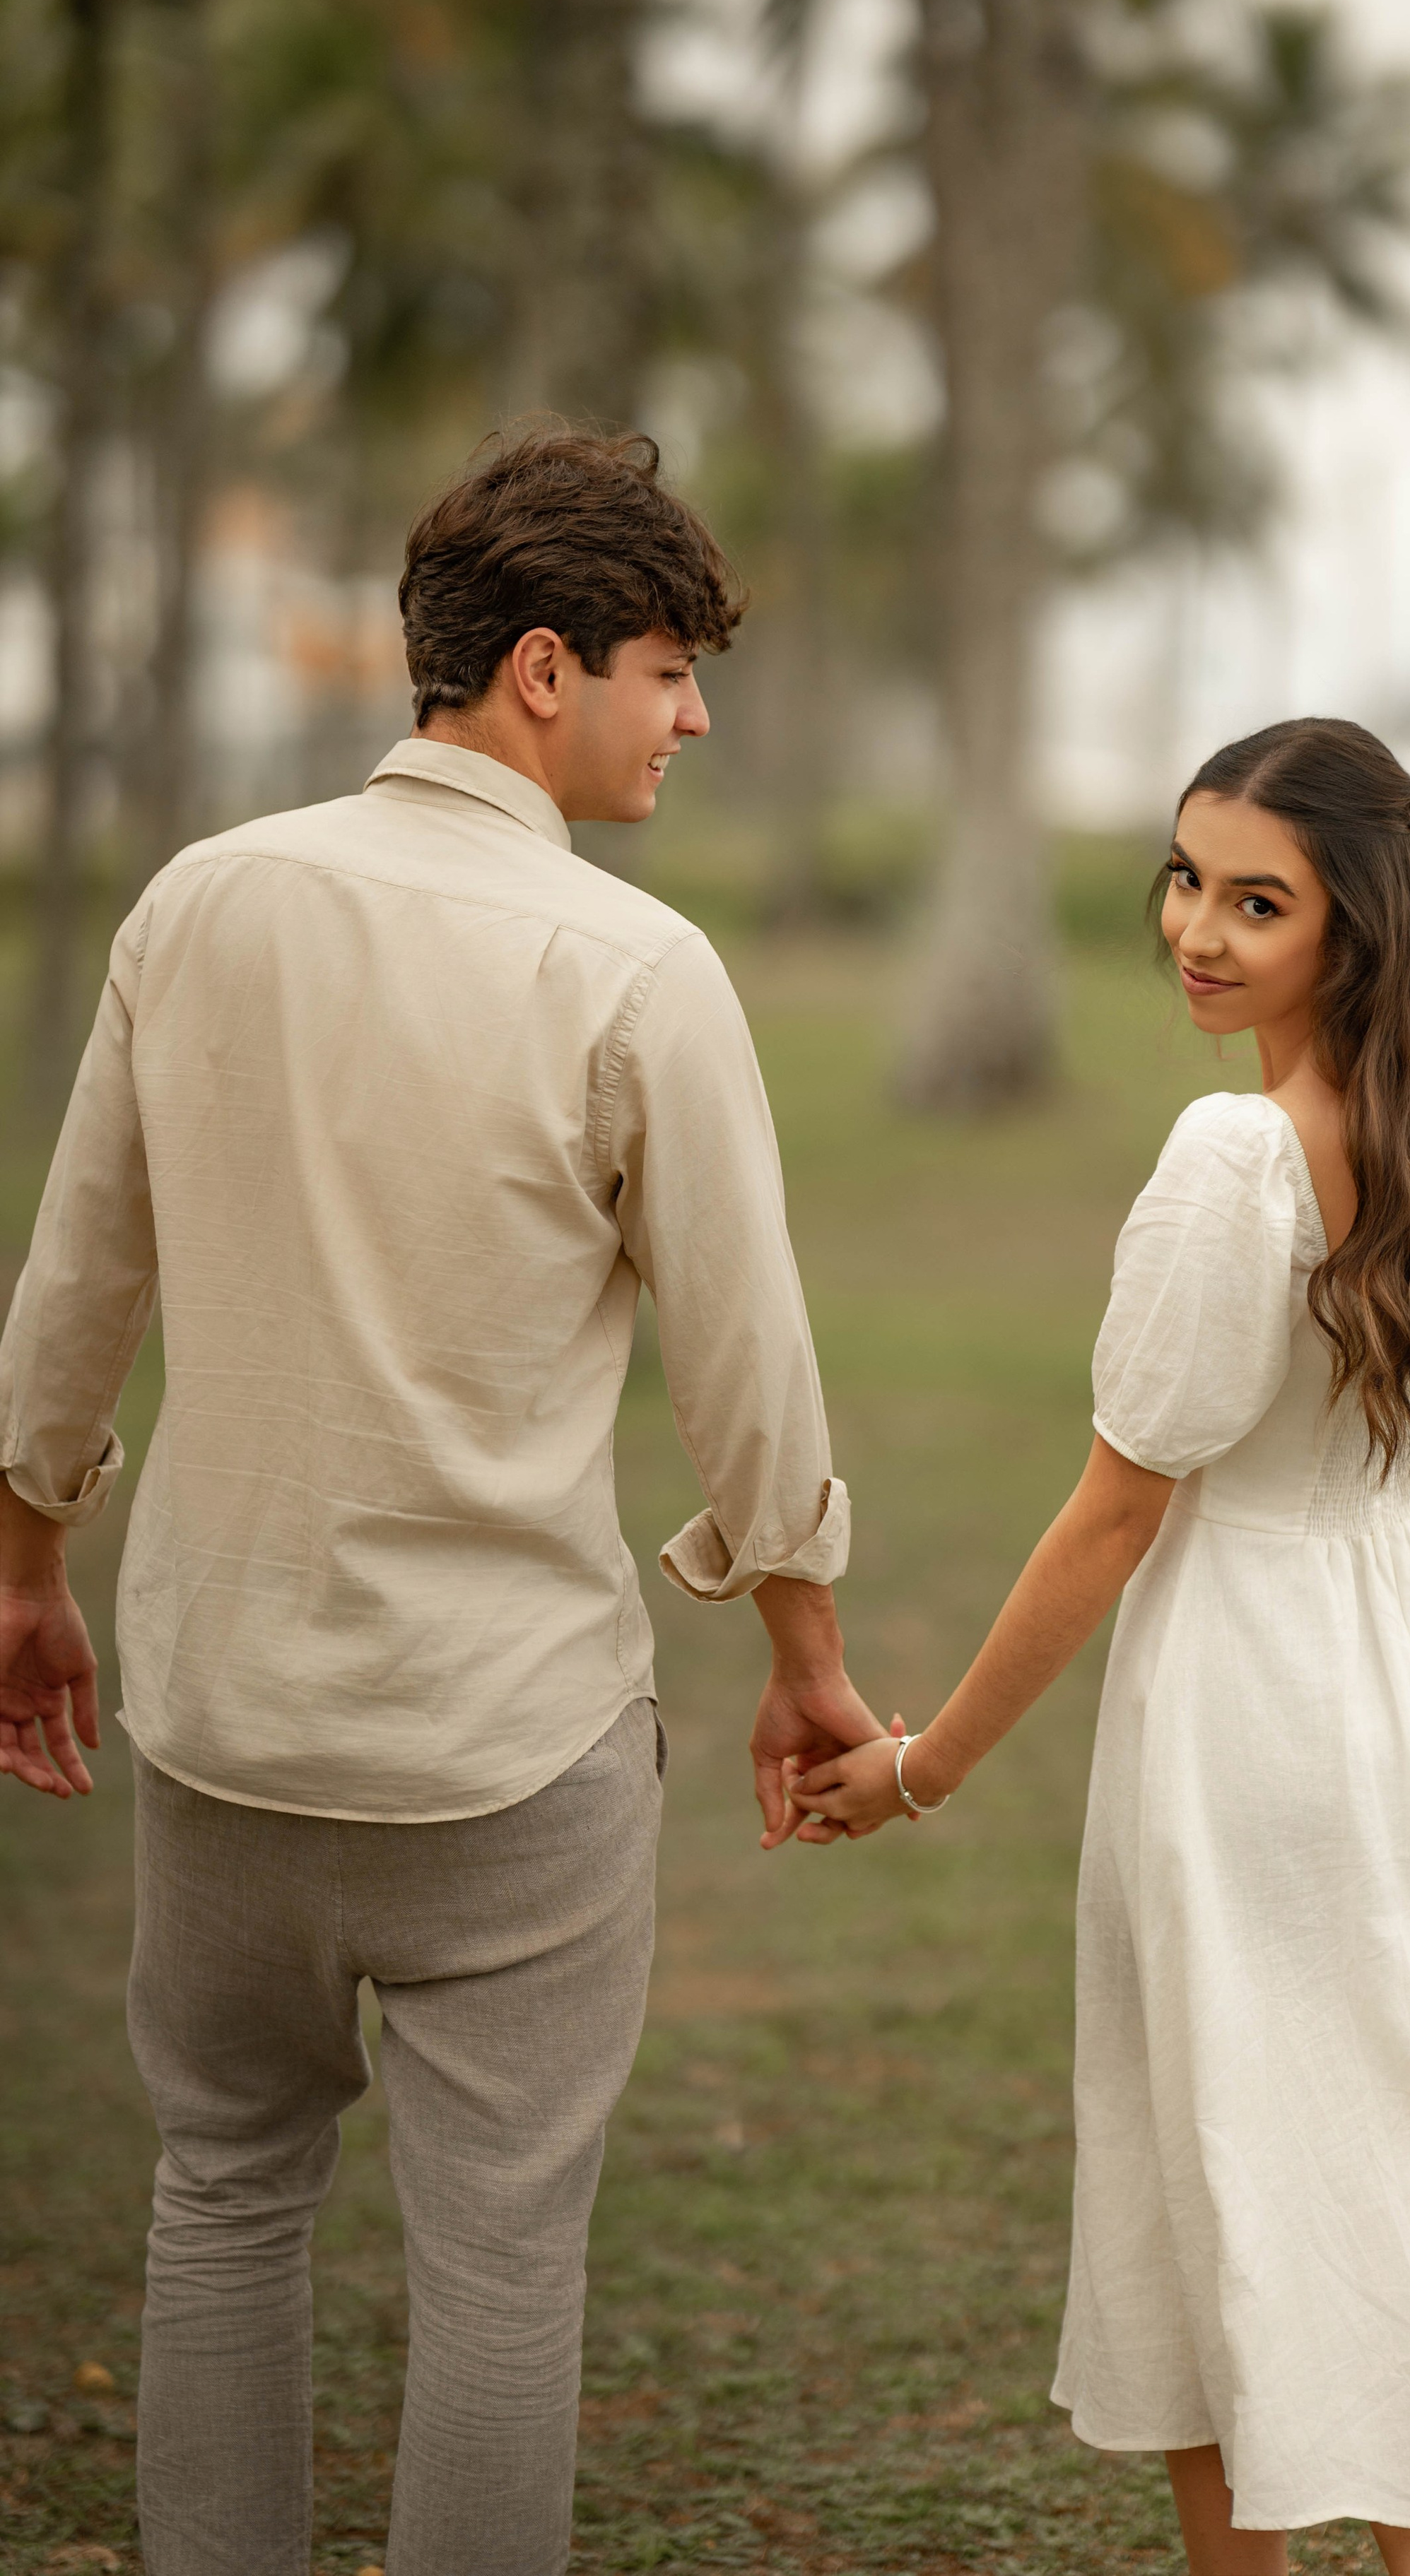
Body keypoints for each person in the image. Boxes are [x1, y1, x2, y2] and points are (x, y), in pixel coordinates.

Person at [0, 425, 884, 2576]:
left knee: (219, 2205)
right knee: (501, 2269)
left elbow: (74, 1283)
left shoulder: (204, 902)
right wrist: (808, 1661)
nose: (696, 719)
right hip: (508, 1753)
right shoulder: (635, 973)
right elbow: (748, 1373)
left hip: (221, 1722)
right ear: (548, 669)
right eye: (673, 670)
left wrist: (27, 1567)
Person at [787, 719, 1410, 2576]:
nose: (1196, 933)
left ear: (1358, 921)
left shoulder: (1241, 1161)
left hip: (1243, 1686)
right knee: (1397, 2153)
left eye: (1257, 901)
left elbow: (1118, 1513)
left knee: (1224, 2154)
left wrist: (925, 1766)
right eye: (1184, 877)